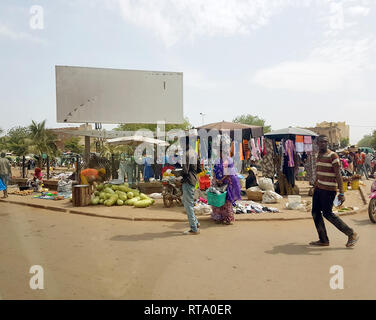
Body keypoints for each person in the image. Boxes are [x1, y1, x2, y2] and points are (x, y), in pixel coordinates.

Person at [309, 135, 359, 248]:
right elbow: (318, 171)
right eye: (321, 142)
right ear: (317, 144)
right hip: (319, 189)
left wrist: (342, 193)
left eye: (325, 142)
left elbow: (338, 176)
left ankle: (351, 233)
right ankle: (323, 240)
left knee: (327, 214)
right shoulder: (319, 156)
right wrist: (315, 184)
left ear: (328, 143)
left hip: (329, 190)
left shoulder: (333, 156)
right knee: (315, 213)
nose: (323, 144)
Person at [210, 148, 242, 225]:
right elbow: (214, 171)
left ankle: (228, 218)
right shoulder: (217, 161)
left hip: (227, 182)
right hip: (218, 182)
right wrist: (215, 179)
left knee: (227, 201)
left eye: (220, 152)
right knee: (218, 200)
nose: (219, 154)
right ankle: (219, 217)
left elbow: (229, 173)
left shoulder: (229, 161)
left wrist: (221, 179)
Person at [181, 140, 202, 235]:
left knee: (188, 205)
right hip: (193, 180)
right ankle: (196, 223)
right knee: (188, 203)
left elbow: (185, 171)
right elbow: (199, 169)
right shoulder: (194, 153)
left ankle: (194, 228)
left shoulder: (186, 154)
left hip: (188, 181)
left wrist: (176, 172)